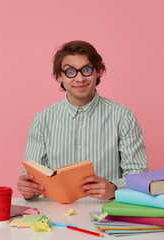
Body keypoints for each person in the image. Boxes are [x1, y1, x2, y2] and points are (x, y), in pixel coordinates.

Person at [17, 40, 148, 201]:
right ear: (59, 76)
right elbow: (32, 179)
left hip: (107, 213)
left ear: (98, 72)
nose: (79, 78)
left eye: (86, 70)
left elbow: (139, 177)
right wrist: (28, 188)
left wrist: (114, 188)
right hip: (56, 213)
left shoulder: (123, 117)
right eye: (70, 71)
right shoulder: (43, 119)